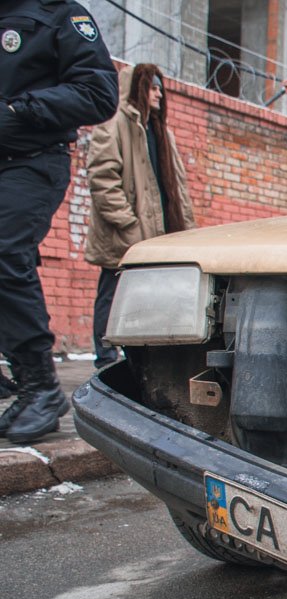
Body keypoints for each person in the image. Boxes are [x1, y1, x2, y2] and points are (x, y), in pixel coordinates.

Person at [0, 0, 119, 445]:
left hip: (30, 161)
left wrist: (19, 111)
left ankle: (42, 389)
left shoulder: (59, 13)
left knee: (5, 254)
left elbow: (99, 92)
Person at [86, 63, 196, 367]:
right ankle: (105, 358)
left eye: (161, 86)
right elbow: (102, 178)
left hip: (161, 232)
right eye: (153, 86)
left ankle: (143, 357)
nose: (160, 92)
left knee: (155, 298)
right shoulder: (115, 124)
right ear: (137, 88)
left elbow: (178, 189)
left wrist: (187, 229)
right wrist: (128, 224)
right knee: (113, 290)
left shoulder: (163, 133)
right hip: (126, 232)